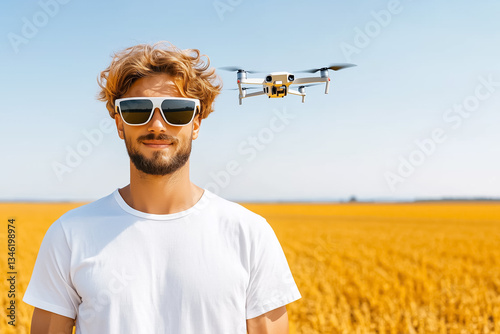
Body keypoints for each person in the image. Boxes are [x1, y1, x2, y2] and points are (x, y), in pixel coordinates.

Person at [23, 41, 301, 334]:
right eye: (137, 109)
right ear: (119, 124)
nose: (157, 124)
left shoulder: (250, 234)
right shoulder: (68, 235)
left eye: (177, 110)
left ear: (196, 123)